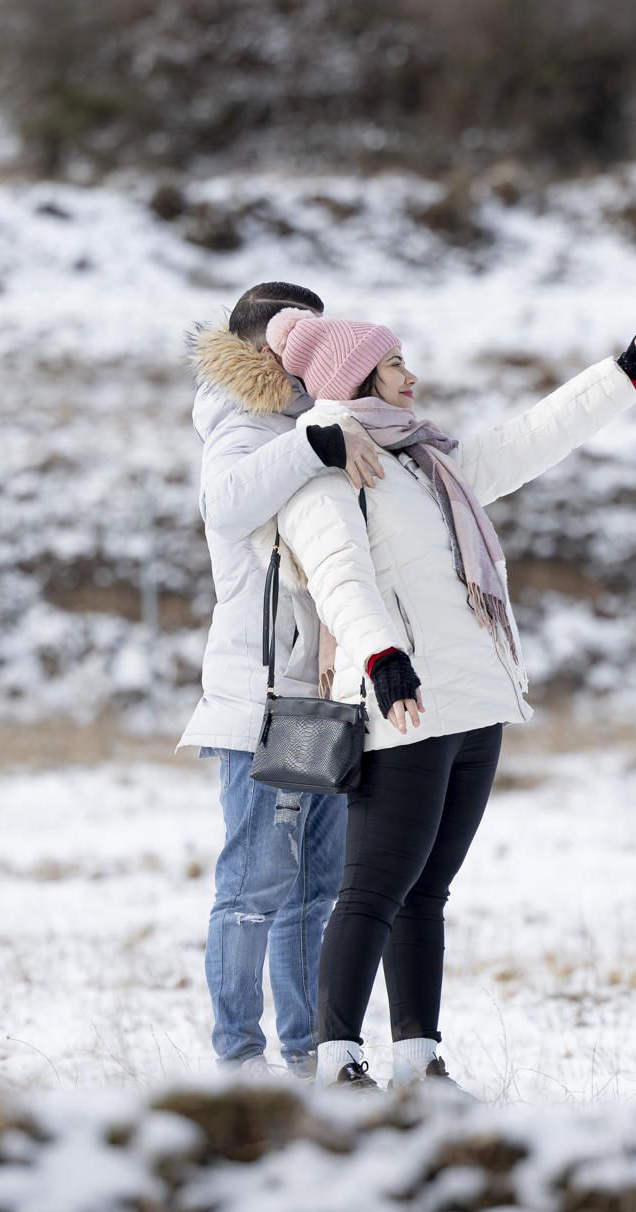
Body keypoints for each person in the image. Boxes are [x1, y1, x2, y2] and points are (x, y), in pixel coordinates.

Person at [254, 308, 636, 1090]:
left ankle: (420, 1058)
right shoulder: (324, 471)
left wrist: (626, 371)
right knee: (374, 889)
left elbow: (528, 440)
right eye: (393, 368)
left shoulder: (425, 460)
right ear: (356, 380)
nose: (410, 378)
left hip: (473, 700)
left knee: (427, 892)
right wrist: (382, 656)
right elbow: (338, 574)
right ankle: (337, 1058)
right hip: (403, 706)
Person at [178, 282, 389, 1079]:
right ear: (257, 348)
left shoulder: (324, 423)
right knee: (253, 885)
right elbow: (229, 507)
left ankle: (309, 1050)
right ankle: (238, 1056)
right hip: (257, 701)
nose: (299, 351)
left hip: (327, 700)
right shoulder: (237, 425)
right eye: (286, 336)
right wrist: (314, 443)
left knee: (319, 888)